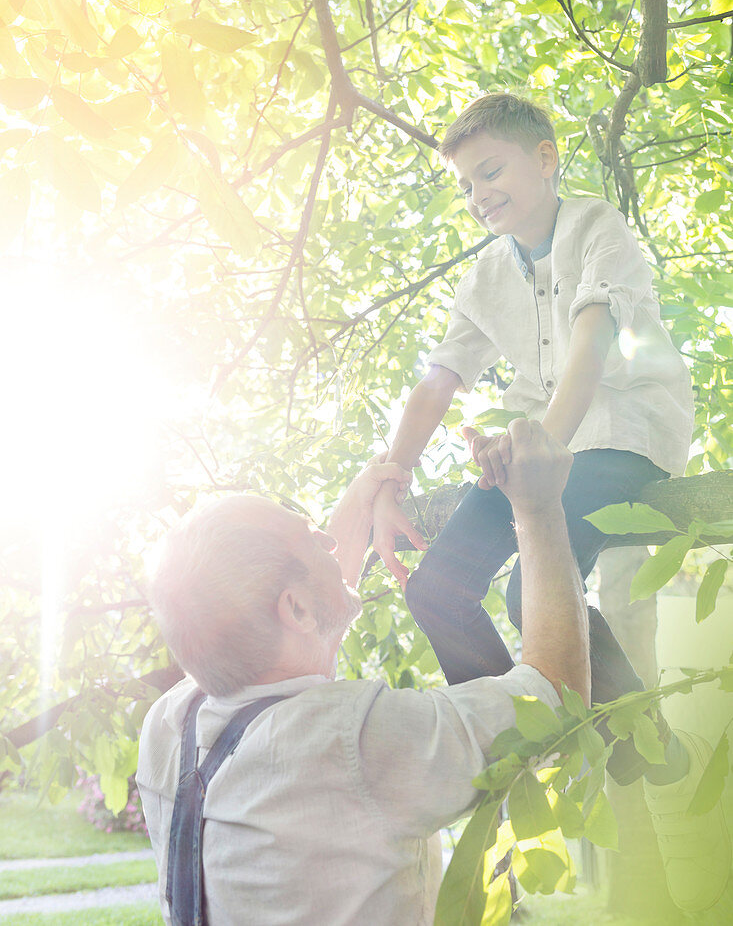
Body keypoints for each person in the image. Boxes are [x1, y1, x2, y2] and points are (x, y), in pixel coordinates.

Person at [371, 92, 729, 913]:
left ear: (544, 157)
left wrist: (543, 451)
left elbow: (594, 342)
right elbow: (439, 377)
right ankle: (536, 735)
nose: (477, 195)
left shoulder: (594, 224)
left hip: (619, 439)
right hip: (537, 446)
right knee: (435, 588)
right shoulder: (487, 272)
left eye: (489, 171)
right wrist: (392, 469)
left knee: (522, 587)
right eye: (464, 184)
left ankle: (647, 744)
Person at [137, 422, 591, 925]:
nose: (331, 541)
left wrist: (362, 498)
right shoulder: (349, 738)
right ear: (296, 608)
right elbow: (552, 698)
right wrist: (539, 508)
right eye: (313, 539)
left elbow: (291, 632)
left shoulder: (170, 724)